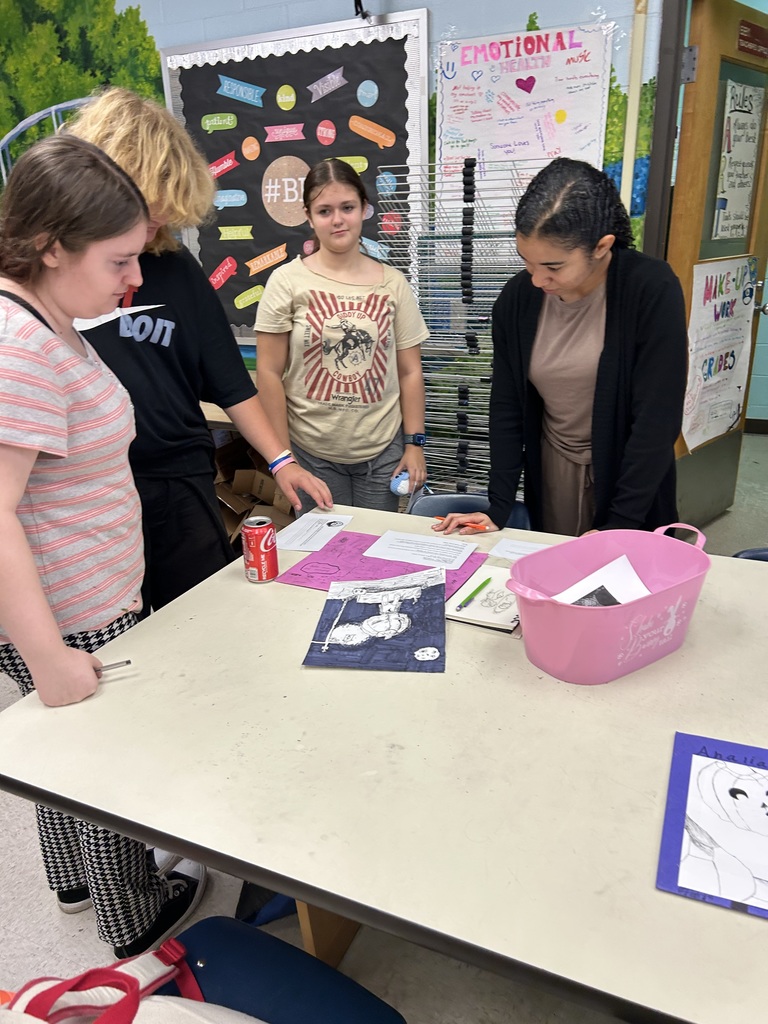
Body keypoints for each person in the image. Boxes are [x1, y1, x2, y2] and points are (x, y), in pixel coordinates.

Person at [0, 135, 205, 957]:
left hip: (72, 598)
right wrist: (49, 655)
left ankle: (75, 881)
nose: (136, 278)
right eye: (120, 258)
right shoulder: (22, 347)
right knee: (105, 767)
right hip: (73, 612)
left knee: (65, 757)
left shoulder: (45, 315)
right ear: (52, 247)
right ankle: (132, 915)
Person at [66, 88, 332, 615]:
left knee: (199, 620)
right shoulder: (44, 285)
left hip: (180, 483)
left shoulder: (176, 268)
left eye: (162, 222)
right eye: (144, 219)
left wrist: (282, 461)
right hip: (90, 497)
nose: (150, 238)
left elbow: (231, 382)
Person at [434, 157, 688, 537]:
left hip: (631, 481)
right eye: (527, 263)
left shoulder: (649, 289)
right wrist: (498, 507)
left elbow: (656, 421)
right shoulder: (519, 299)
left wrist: (619, 524)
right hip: (554, 473)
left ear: (602, 247)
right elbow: (508, 407)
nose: (538, 280)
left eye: (553, 266)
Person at [255, 157, 429, 513]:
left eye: (347, 207)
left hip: (383, 454)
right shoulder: (286, 283)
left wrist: (415, 444)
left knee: (375, 551)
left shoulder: (392, 283)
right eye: (324, 210)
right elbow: (268, 374)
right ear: (308, 216)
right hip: (311, 456)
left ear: (364, 209)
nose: (337, 219)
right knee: (321, 559)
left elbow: (410, 371)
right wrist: (284, 458)